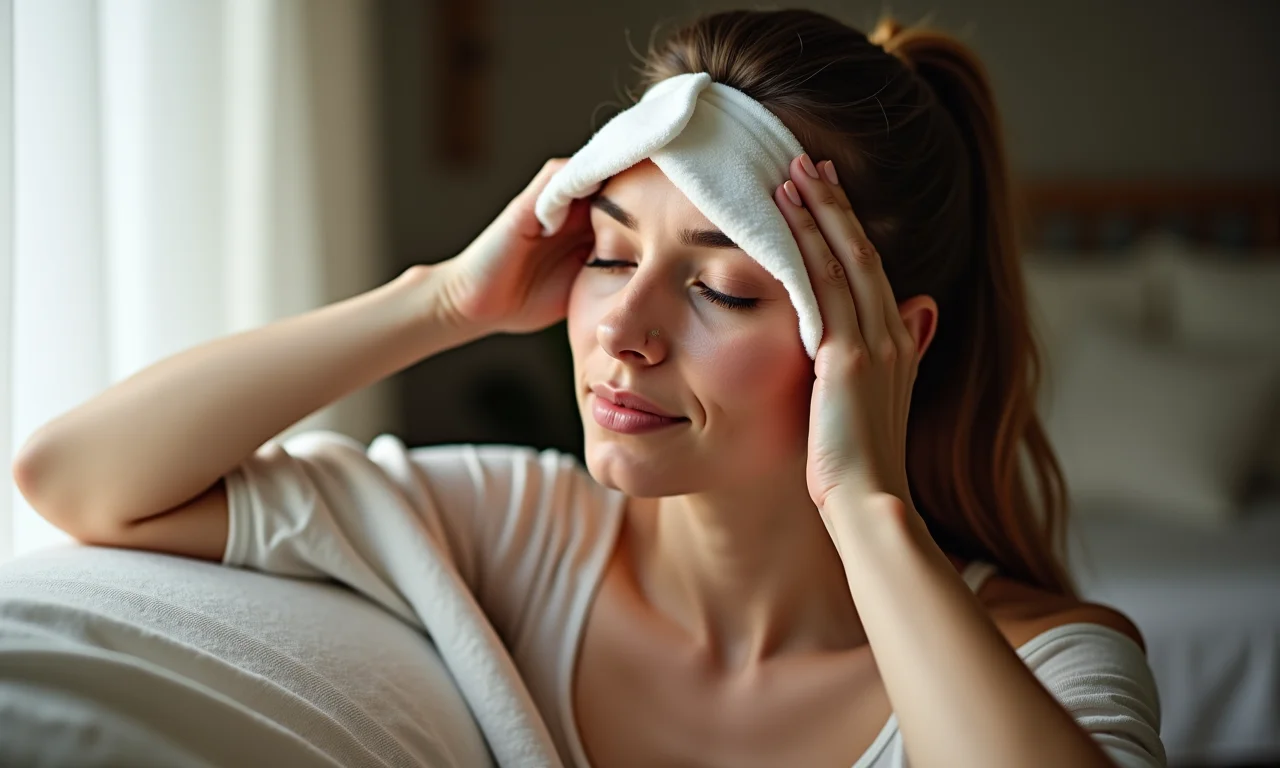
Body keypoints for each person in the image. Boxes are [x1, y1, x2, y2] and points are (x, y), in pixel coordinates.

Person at [14, 9, 1166, 768]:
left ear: (888, 343)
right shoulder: (514, 535)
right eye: (609, 255)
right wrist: (439, 301)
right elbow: (72, 478)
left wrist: (865, 510)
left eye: (719, 287)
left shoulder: (1045, 670)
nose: (622, 329)